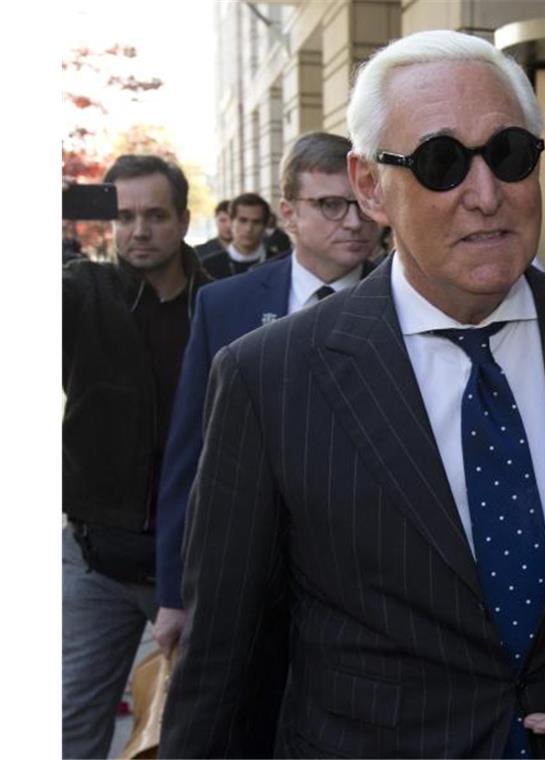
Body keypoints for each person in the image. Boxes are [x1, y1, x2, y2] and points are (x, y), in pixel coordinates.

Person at [160, 30, 545, 759]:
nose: (486, 195)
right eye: (439, 162)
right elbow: (222, 666)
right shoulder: (271, 378)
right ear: (369, 185)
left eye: (509, 155)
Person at [152, 133, 380, 754]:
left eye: (364, 201)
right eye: (331, 205)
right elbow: (188, 453)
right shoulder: (224, 304)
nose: (354, 221)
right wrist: (173, 593)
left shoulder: (403, 301)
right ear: (289, 213)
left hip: (363, 585)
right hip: (245, 576)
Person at [62, 154, 211, 760]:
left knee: (191, 723)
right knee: (73, 718)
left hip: (194, 563)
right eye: (123, 216)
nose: (139, 230)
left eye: (155, 214)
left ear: (182, 219)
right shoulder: (80, 293)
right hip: (97, 558)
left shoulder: (219, 304)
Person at [200, 192, 271, 279]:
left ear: (264, 225)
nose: (248, 229)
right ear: (231, 222)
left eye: (256, 222)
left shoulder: (279, 262)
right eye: (243, 220)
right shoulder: (208, 267)